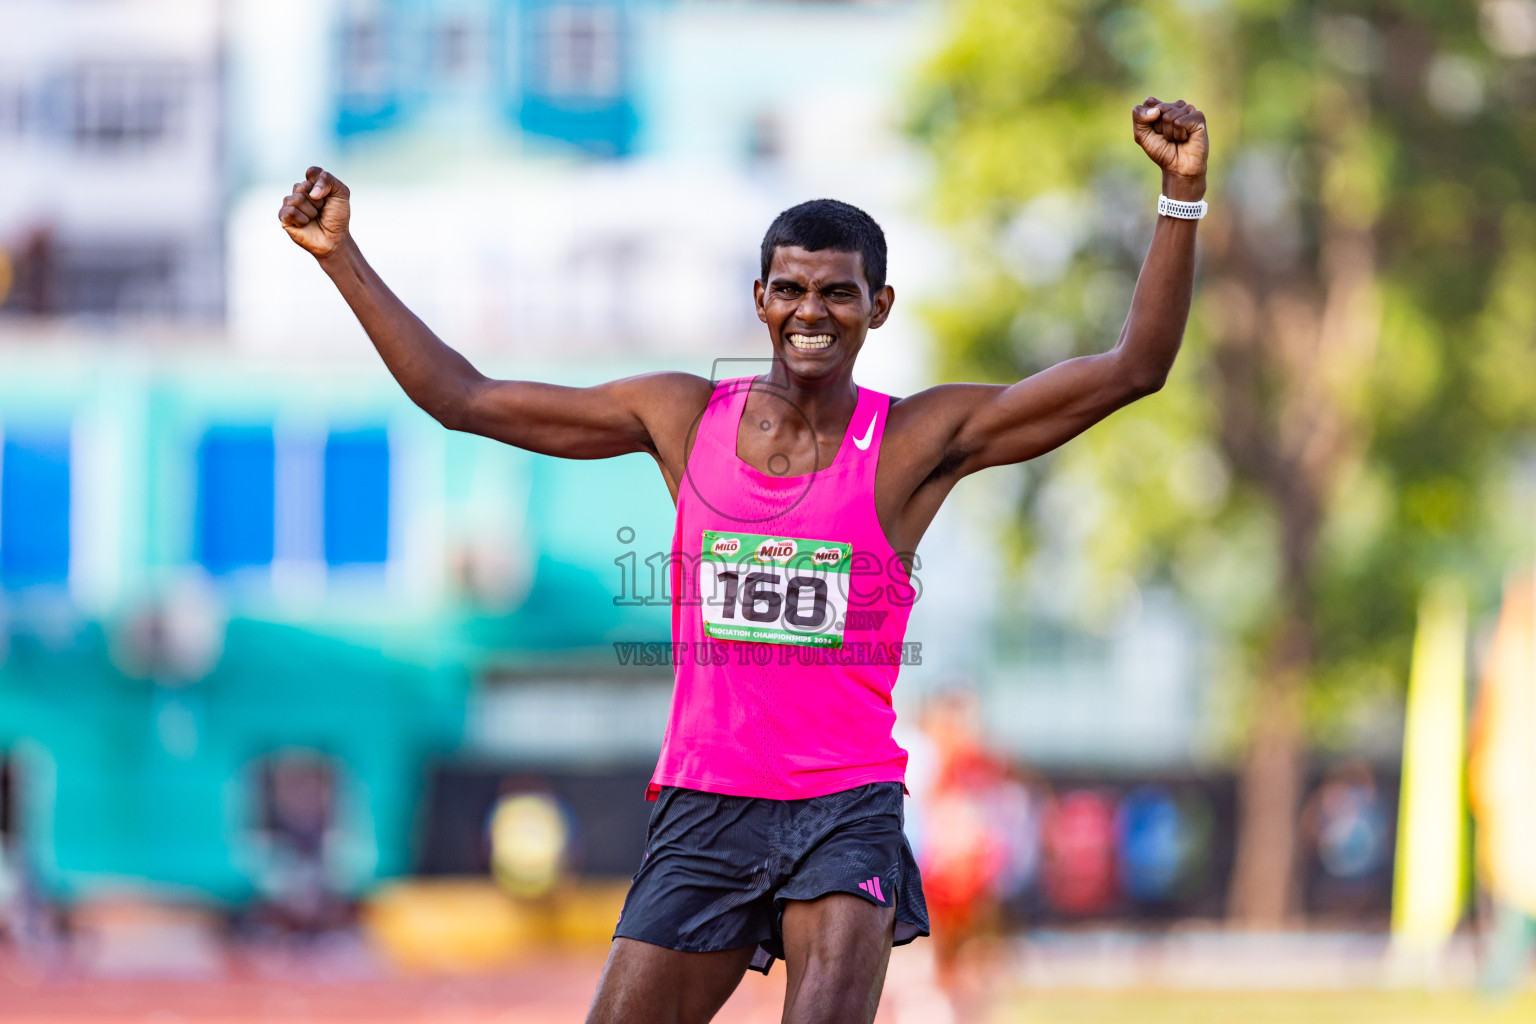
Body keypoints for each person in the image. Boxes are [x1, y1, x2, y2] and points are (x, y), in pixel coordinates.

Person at [279, 95, 1209, 1024]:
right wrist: (340, 258)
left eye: (838, 292)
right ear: (760, 300)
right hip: (705, 804)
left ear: (877, 307)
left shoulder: (915, 440)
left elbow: (1134, 367)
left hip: (845, 808)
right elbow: (464, 397)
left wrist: (1180, 194)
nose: (813, 311)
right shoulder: (680, 417)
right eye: (791, 289)